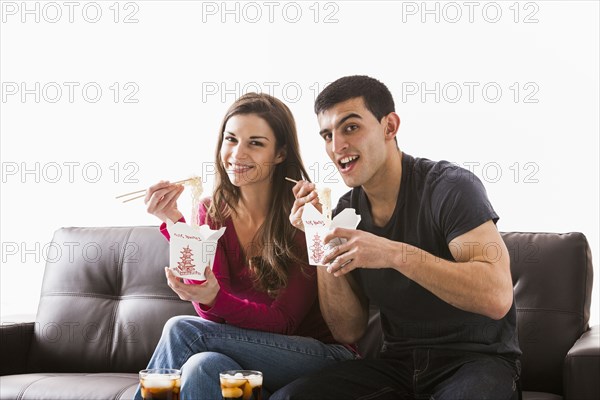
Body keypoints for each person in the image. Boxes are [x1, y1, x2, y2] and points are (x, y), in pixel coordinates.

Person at [272, 76, 521, 400]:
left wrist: (394, 254)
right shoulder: (348, 210)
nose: (336, 146)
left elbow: (497, 296)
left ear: (389, 127)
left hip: (476, 362)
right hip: (399, 366)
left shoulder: (450, 188)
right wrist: (318, 233)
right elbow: (348, 329)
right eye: (327, 135)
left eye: (350, 128)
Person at [134, 93, 356, 400]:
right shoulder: (212, 212)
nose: (237, 154)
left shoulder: (303, 214)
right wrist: (175, 224)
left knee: (182, 330)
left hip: (319, 358)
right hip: (250, 356)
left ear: (280, 154)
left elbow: (284, 322)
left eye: (255, 143)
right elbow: (212, 316)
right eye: (231, 139)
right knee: (202, 365)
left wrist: (215, 298)